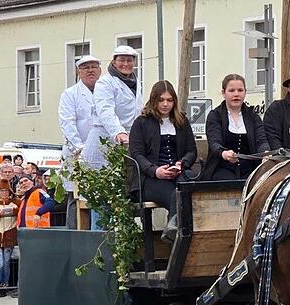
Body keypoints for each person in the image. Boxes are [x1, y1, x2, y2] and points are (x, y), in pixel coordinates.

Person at [129, 80, 198, 243]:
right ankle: (176, 230)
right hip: (150, 179)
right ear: (154, 100)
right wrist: (155, 171)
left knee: (187, 185)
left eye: (169, 100)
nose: (165, 104)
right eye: (161, 100)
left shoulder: (181, 122)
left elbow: (191, 150)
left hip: (177, 173)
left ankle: (174, 227)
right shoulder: (141, 123)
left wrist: (182, 164)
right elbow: (137, 154)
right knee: (177, 194)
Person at [83, 46, 143, 230]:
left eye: (129, 60)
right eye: (122, 60)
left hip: (127, 144)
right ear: (114, 61)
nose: (126, 64)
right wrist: (118, 132)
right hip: (104, 141)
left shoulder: (136, 82)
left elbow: (138, 112)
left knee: (120, 199)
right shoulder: (105, 83)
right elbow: (105, 110)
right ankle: (98, 248)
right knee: (102, 200)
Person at [58, 54, 101, 229]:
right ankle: (74, 236)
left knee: (101, 197)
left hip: (102, 153)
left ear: (100, 70)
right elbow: (67, 123)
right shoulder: (70, 94)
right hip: (78, 153)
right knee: (76, 197)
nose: (90, 70)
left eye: (93, 66)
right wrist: (81, 148)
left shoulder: (105, 91)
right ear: (78, 72)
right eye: (85, 67)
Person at [203, 74, 270, 181]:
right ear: (223, 93)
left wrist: (266, 152)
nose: (236, 94)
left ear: (245, 92)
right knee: (228, 181)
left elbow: (261, 140)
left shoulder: (253, 117)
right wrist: (224, 153)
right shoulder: (215, 115)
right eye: (231, 90)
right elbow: (214, 142)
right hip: (222, 168)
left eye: (240, 90)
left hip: (250, 169)